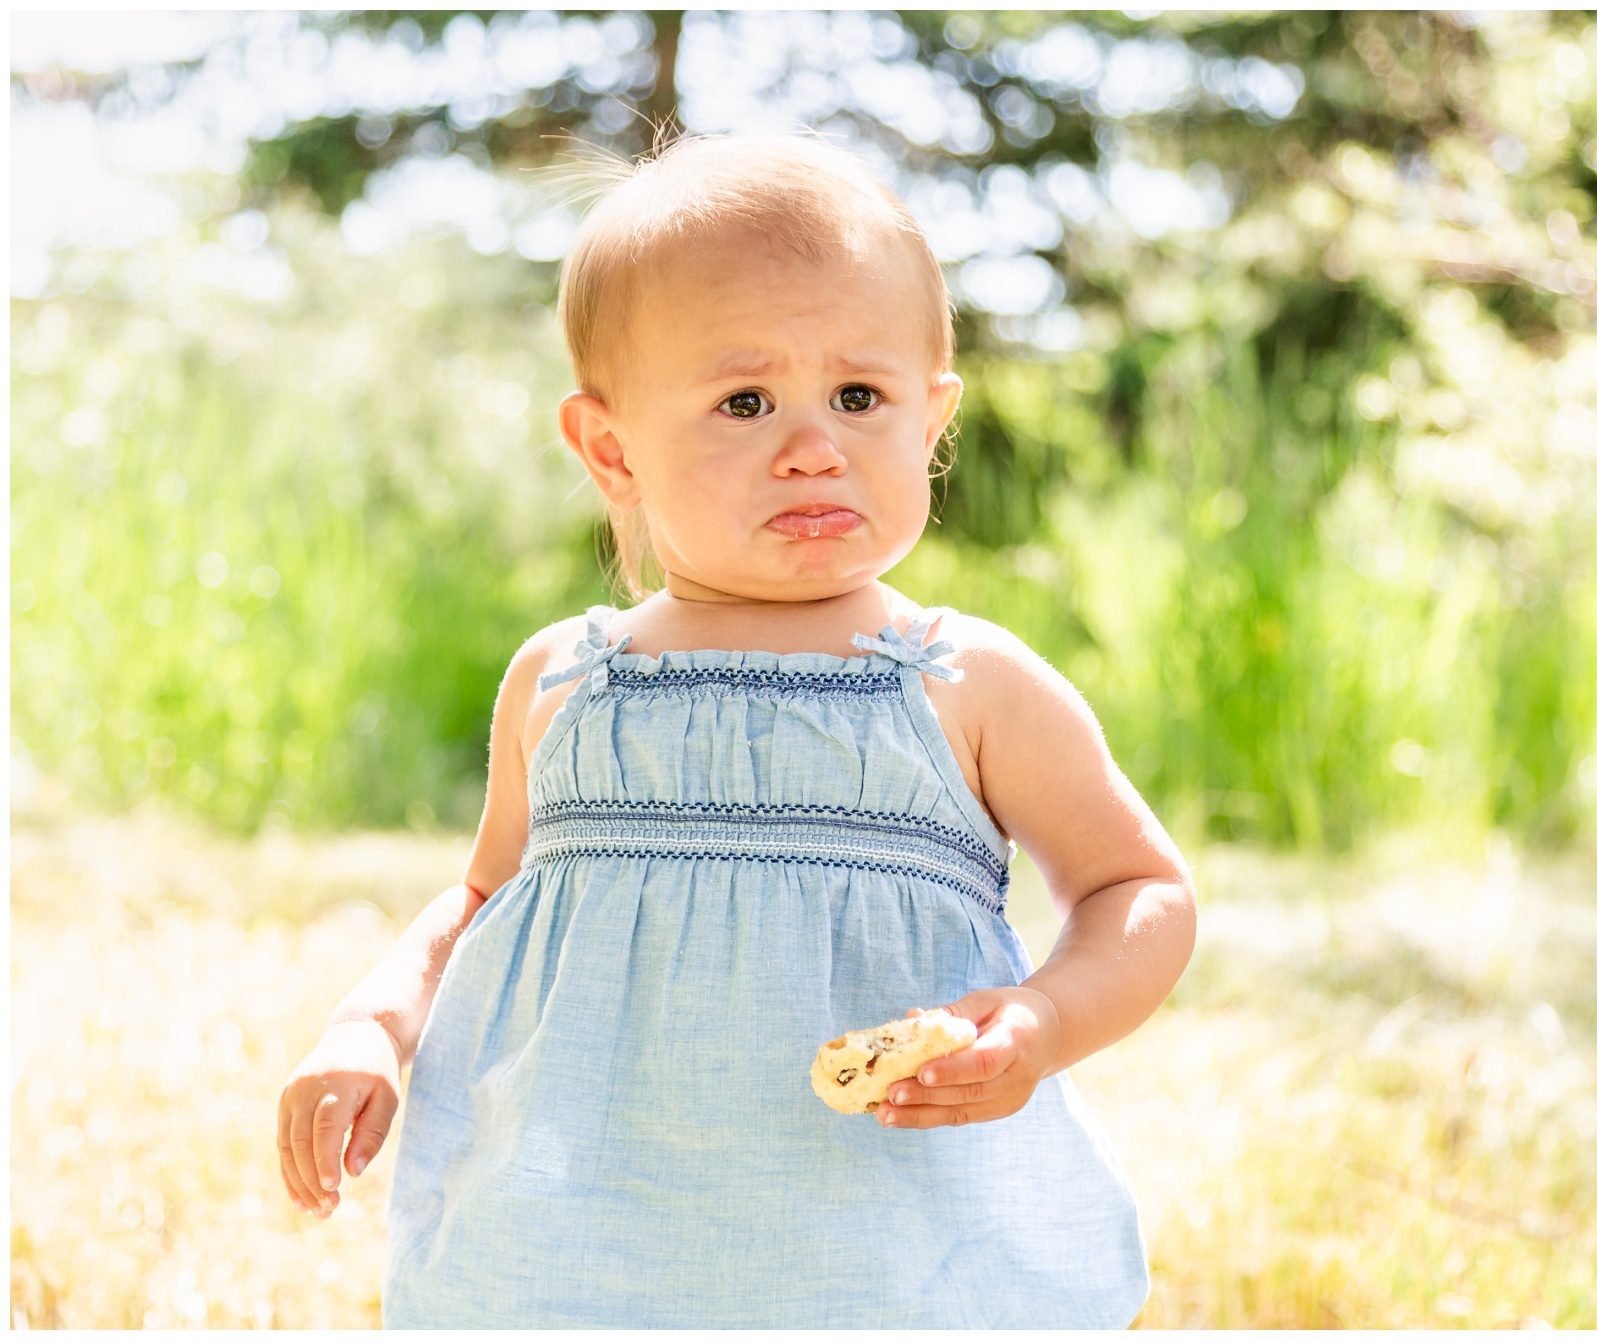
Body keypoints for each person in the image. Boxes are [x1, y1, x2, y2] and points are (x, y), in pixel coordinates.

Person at [274, 129, 1198, 1328]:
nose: (814, 443)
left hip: (879, 1249)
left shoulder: (964, 680)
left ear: (930, 417)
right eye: (744, 399)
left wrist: (1042, 1016)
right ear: (611, 447)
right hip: (579, 1246)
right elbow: (483, 899)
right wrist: (370, 1022)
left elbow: (1139, 887)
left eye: (859, 395)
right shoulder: (562, 678)